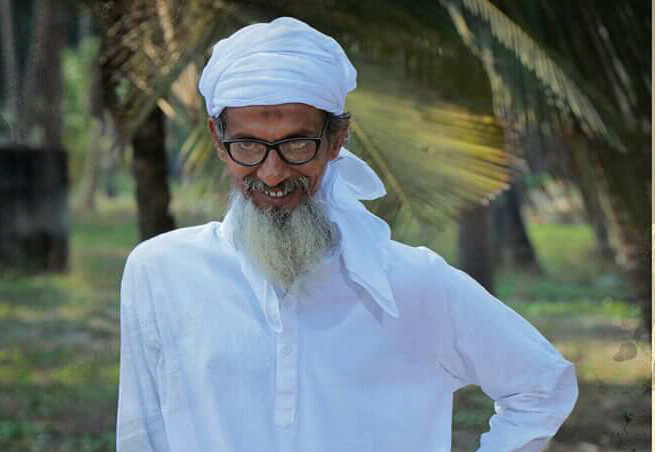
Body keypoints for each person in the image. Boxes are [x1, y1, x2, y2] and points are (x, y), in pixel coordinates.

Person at [116, 17, 578, 452]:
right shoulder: (161, 272)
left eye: (298, 144)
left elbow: (543, 386)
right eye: (248, 145)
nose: (272, 173)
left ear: (336, 139)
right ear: (219, 142)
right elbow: (142, 435)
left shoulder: (415, 285)